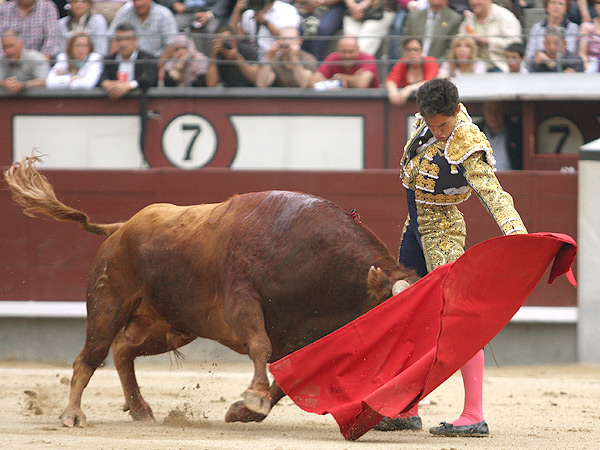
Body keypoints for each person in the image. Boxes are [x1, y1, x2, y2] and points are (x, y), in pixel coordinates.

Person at [377, 77, 527, 436]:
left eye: (442, 125)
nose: (438, 132)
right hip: (414, 227)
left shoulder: (467, 141)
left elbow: (493, 191)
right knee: (410, 314)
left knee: (457, 317)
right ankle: (407, 408)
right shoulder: (425, 124)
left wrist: (517, 234)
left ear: (457, 112)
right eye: (431, 124)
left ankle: (474, 413)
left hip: (443, 231)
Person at [98, 23, 158, 99]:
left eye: (126, 39)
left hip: (140, 104)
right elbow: (100, 77)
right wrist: (108, 85)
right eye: (119, 39)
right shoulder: (109, 60)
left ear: (135, 40)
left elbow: (150, 79)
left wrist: (129, 86)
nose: (123, 43)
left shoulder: (147, 58)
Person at [459, 0, 522, 72]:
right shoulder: (468, 21)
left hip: (499, 67)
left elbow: (515, 45)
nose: (474, 2)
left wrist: (487, 40)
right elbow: (457, 42)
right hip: (472, 68)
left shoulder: (505, 16)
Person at [108, 0, 178, 64]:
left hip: (156, 62)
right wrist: (113, 65)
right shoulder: (124, 13)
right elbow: (114, 39)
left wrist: (159, 67)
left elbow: (170, 44)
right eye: (135, 1)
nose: (138, 4)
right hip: (130, 62)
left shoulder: (164, 15)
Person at [229, 0, 301, 61]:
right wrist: (236, 11)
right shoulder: (248, 13)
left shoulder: (287, 10)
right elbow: (236, 38)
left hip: (278, 58)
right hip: (254, 59)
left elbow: (287, 37)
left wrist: (265, 22)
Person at [399, 0, 464, 61]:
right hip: (412, 66)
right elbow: (404, 43)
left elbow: (451, 49)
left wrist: (433, 66)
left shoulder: (455, 19)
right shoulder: (414, 16)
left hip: (439, 68)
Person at [162, 0, 234, 55]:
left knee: (212, 29)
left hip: (211, 13)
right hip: (185, 11)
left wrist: (209, 15)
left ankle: (208, 64)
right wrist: (174, 3)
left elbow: (223, 2)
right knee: (174, 25)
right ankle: (175, 64)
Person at [524, 0, 579, 71]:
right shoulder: (537, 27)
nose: (556, 6)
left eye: (560, 4)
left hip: (564, 68)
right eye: (553, 3)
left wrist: (548, 60)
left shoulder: (572, 27)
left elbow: (569, 52)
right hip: (540, 67)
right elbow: (529, 54)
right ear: (546, 6)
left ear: (566, 9)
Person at [308, 35, 380, 88]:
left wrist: (339, 77)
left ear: (358, 50)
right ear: (338, 50)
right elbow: (313, 81)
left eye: (351, 51)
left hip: (366, 103)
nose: (347, 56)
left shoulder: (368, 58)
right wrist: (337, 83)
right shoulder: (332, 58)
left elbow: (362, 84)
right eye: (343, 51)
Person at [386, 38, 438, 106]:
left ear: (421, 51)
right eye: (409, 50)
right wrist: (393, 91)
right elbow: (391, 80)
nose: (412, 53)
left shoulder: (430, 61)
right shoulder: (402, 63)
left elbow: (430, 82)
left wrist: (409, 88)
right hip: (404, 107)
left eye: (416, 50)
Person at [475, 101, 523, 170]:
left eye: (497, 110)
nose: (493, 115)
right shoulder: (475, 131)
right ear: (484, 111)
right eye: (489, 110)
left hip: (511, 179)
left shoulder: (516, 132)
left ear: (503, 111)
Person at [0, 29, 49, 93]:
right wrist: (5, 84)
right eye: (5, 47)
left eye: (11, 46)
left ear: (21, 44)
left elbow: (44, 81)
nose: (8, 51)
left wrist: (23, 85)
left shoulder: (36, 58)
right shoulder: (2, 60)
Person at [578, 1, 600, 72]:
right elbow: (582, 53)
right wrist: (587, 65)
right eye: (598, 3)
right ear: (595, 6)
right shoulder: (586, 26)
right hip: (592, 64)